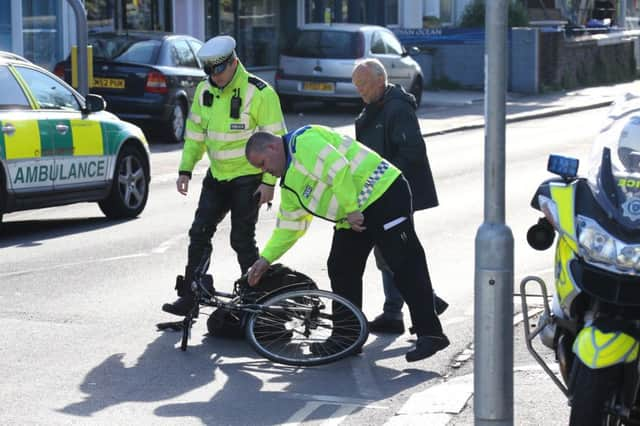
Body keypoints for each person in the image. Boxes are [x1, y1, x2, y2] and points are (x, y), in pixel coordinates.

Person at [244, 125, 450, 362]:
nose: (265, 170)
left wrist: (351, 208)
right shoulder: (289, 181)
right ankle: (347, 337)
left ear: (271, 146)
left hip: (384, 194)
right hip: (355, 214)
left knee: (404, 264)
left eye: (262, 163)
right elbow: (290, 226)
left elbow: (338, 167)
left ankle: (431, 334)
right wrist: (265, 258)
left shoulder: (304, 141)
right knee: (341, 265)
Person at [162, 35, 286, 316]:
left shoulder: (260, 93)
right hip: (217, 177)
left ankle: (257, 301)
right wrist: (185, 169)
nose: (215, 78)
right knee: (199, 233)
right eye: (210, 72)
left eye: (219, 71)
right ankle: (190, 296)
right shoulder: (205, 91)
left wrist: (269, 184)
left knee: (241, 239)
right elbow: (195, 136)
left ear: (234, 62)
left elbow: (276, 144)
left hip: (248, 178)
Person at [351, 58, 447, 334]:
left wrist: (384, 178)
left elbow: (413, 152)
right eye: (357, 87)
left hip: (395, 192)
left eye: (364, 85)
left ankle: (419, 307)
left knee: (397, 252)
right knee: (390, 251)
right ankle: (400, 310)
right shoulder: (375, 107)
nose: (361, 92)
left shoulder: (396, 109)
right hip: (381, 191)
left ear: (380, 80)